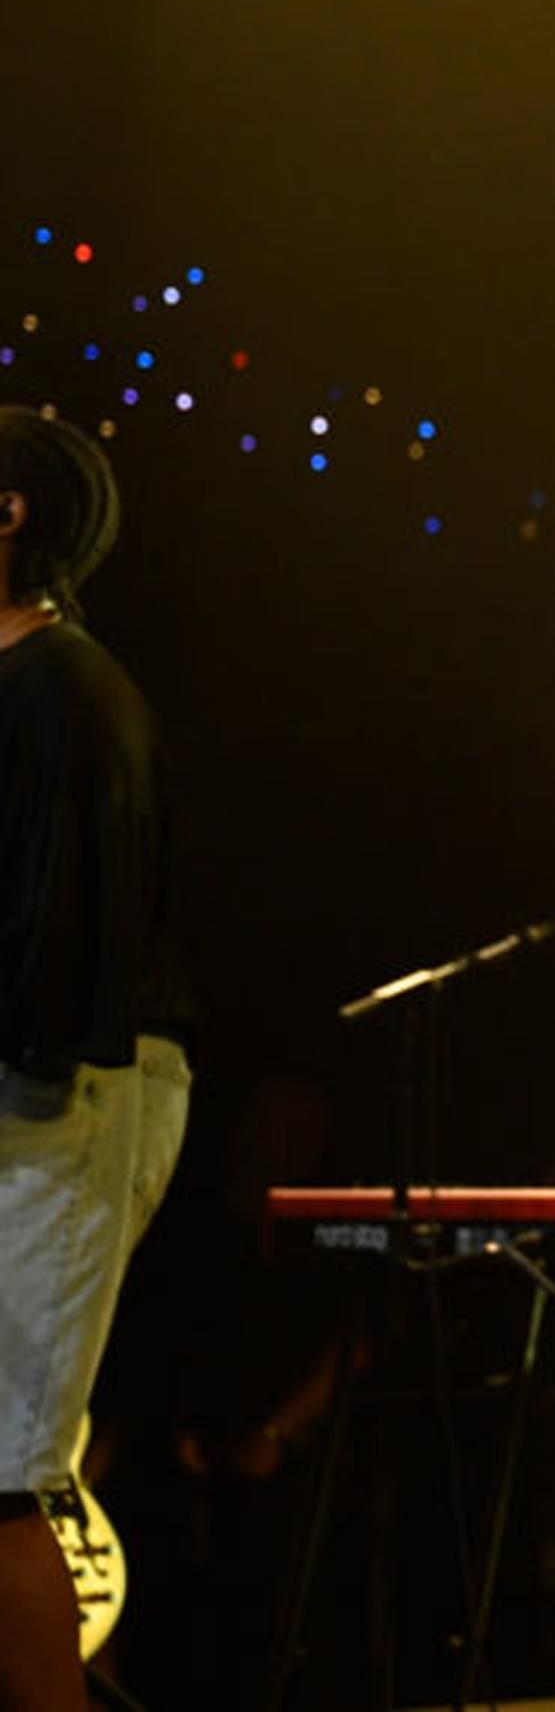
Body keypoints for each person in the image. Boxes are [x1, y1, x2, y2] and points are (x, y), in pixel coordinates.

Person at [0, 409, 191, 1712]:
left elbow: (61, 946)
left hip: (57, 1095)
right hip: (42, 1090)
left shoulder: (70, 695)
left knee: (2, 1474)